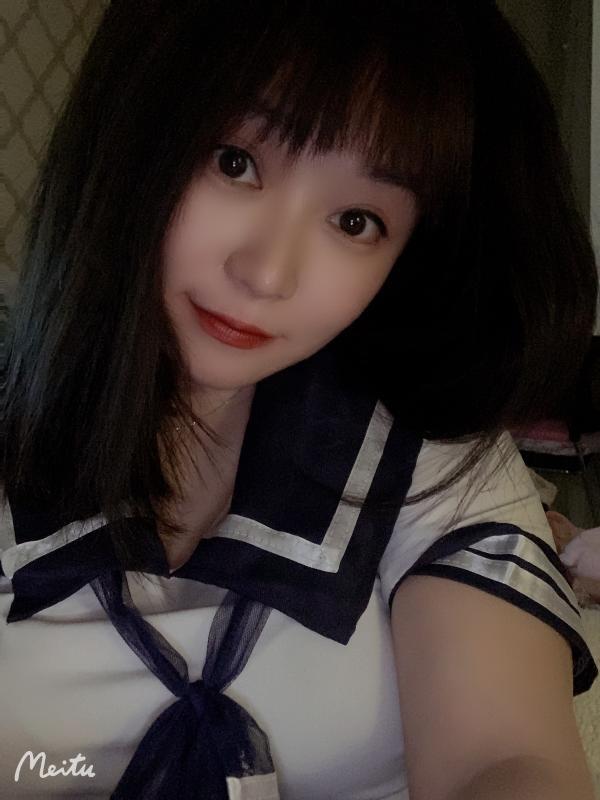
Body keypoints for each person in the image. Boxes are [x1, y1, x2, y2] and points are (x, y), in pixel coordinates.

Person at [1, 1, 598, 798]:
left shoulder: (426, 449)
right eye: (234, 162)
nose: (268, 274)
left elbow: (504, 759)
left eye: (356, 220)